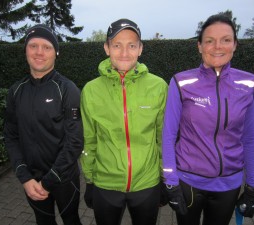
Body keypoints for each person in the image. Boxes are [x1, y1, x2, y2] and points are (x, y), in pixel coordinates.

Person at [162, 14, 254, 225]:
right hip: (188, 181)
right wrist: (170, 181)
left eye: (226, 40)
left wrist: (253, 184)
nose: (217, 46)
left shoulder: (250, 83)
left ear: (235, 45)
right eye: (209, 40)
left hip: (228, 185)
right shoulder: (181, 82)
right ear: (199, 46)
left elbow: (251, 138)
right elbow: (168, 134)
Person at [80, 18, 168, 225]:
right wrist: (90, 181)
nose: (124, 52)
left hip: (147, 183)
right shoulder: (91, 90)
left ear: (140, 49)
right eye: (117, 45)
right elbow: (88, 139)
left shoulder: (159, 86)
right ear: (106, 48)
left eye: (131, 45)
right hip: (105, 183)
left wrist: (165, 178)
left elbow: (164, 137)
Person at [4, 24, 83, 225]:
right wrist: (25, 177)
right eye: (33, 46)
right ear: (26, 50)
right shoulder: (15, 90)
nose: (39, 52)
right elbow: (11, 136)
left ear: (55, 53)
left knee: (71, 220)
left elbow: (74, 141)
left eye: (46, 47)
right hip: (31, 179)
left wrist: (49, 181)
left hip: (64, 178)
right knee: (43, 222)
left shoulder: (67, 89)